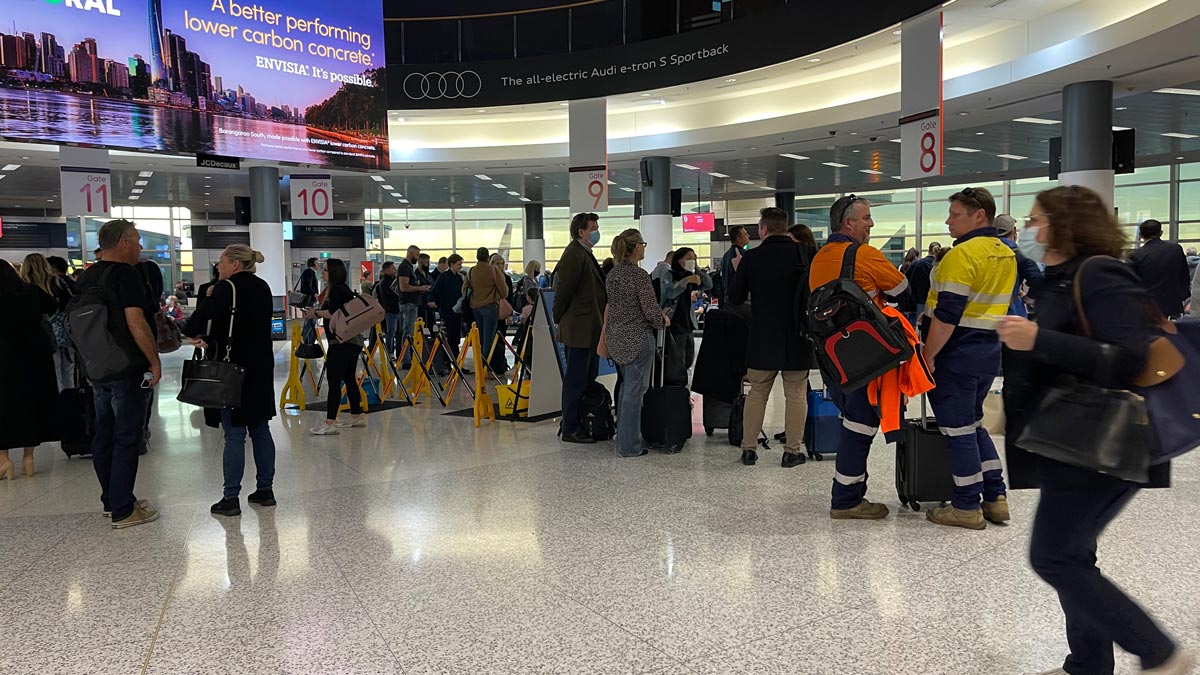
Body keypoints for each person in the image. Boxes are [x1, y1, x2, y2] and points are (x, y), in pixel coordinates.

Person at [998, 185, 1194, 675]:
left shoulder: (1100, 273)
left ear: (1066, 224)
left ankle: (1158, 651)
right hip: (1073, 439)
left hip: (1106, 441)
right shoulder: (1058, 278)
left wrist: (1037, 338)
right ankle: (1087, 663)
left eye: (1037, 219)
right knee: (1072, 554)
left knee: (1054, 556)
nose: (1029, 229)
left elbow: (1130, 358)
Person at [919, 187, 1016, 530]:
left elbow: (947, 314)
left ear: (979, 216)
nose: (948, 221)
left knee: (957, 431)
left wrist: (929, 354)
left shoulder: (961, 256)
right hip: (987, 352)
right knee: (973, 425)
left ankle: (965, 506)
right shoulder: (1005, 253)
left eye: (955, 214)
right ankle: (995, 497)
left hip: (955, 353)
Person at [809, 195, 910, 520]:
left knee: (853, 419)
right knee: (861, 423)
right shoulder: (864, 254)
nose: (871, 224)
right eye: (865, 218)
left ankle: (851, 492)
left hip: (832, 355)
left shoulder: (819, 257)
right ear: (847, 222)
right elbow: (903, 291)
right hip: (867, 354)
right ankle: (846, 499)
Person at [74, 219, 160, 528]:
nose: (140, 246)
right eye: (136, 240)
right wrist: (154, 361)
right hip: (126, 366)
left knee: (104, 434)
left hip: (97, 368)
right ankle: (124, 509)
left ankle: (112, 500)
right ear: (123, 242)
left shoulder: (87, 276)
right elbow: (136, 323)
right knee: (127, 436)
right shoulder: (126, 274)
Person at [182, 245, 277, 517]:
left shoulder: (226, 288)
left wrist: (209, 299)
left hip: (232, 368)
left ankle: (230, 497)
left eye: (221, 261)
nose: (218, 267)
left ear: (235, 263)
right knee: (260, 427)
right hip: (259, 365)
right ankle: (265, 490)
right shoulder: (263, 287)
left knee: (234, 432)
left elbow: (195, 325)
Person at [728, 207, 814, 468]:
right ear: (786, 228)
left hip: (763, 336)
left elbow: (734, 299)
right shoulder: (806, 254)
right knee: (796, 394)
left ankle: (749, 450)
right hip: (798, 336)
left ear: (763, 229)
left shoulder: (751, 258)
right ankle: (792, 452)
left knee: (757, 393)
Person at [604, 229, 667, 458]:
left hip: (617, 337)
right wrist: (662, 319)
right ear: (636, 247)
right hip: (638, 338)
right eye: (643, 244)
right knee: (634, 390)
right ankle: (628, 446)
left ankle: (623, 439)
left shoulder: (612, 275)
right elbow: (650, 310)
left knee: (625, 389)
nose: (644, 247)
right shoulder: (639, 276)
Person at [0, 259, 58, 481]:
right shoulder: (30, 291)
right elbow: (52, 306)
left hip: (3, 358)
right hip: (35, 355)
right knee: (32, 404)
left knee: (4, 406)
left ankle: (4, 459)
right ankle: (28, 458)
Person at [553, 213, 607, 444]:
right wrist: (558, 316)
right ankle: (571, 426)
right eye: (592, 227)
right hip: (579, 328)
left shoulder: (585, 253)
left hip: (589, 327)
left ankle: (577, 420)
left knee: (587, 376)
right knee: (576, 378)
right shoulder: (574, 254)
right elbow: (564, 291)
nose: (596, 231)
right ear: (580, 232)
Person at [306, 258, 366, 435]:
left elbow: (334, 313)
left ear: (333, 272)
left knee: (334, 381)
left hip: (341, 343)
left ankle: (330, 421)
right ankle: (357, 415)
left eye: (325, 270)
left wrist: (315, 313)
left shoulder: (337, 290)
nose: (322, 273)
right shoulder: (342, 289)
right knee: (349, 378)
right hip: (350, 341)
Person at [659, 247, 712, 387]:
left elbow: (708, 284)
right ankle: (676, 387)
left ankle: (681, 385)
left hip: (688, 323)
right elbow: (669, 292)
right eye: (689, 259)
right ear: (679, 260)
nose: (692, 261)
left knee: (689, 357)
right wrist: (685, 281)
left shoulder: (691, 274)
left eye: (694, 258)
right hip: (674, 322)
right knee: (677, 360)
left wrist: (698, 269)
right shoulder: (669, 274)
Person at [1127, 219, 1190, 318]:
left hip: (1147, 307)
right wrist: (1183, 295)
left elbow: (1129, 282)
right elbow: (1184, 275)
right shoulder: (1176, 249)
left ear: (1140, 235)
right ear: (1161, 233)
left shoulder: (1136, 255)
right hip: (1173, 304)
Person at [994, 214, 1045, 318]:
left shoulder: (984, 251)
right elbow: (1037, 279)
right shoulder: (1019, 254)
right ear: (1014, 230)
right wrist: (1028, 298)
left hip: (983, 315)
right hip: (1012, 313)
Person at [469, 248, 507, 375]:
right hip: (490, 306)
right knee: (488, 340)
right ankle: (483, 368)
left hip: (475, 307)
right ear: (487, 257)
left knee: (480, 339)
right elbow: (504, 290)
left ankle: (479, 365)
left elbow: (465, 288)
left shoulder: (472, 270)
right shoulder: (493, 270)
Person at [396, 246, 432, 369]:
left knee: (410, 331)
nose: (417, 258)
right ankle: (406, 360)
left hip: (412, 302)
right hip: (408, 303)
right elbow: (403, 287)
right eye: (417, 255)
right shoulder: (404, 267)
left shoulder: (409, 267)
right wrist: (419, 288)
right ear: (411, 253)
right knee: (408, 331)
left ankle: (409, 357)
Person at [45, 255, 77, 390]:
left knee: (56, 370)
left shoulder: (53, 284)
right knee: (69, 369)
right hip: (71, 331)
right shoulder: (72, 283)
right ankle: (71, 400)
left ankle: (62, 401)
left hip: (55, 333)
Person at [430, 254, 465, 375]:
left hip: (456, 312)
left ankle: (456, 362)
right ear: (451, 264)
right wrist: (434, 303)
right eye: (458, 264)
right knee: (448, 338)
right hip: (447, 311)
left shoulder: (459, 278)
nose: (460, 267)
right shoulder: (443, 277)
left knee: (455, 339)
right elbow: (434, 291)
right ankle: (447, 362)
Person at [488, 253, 513, 373]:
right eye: (497, 263)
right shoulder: (488, 278)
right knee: (491, 339)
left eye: (502, 263)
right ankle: (492, 364)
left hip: (503, 312)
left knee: (502, 338)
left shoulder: (507, 278)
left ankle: (501, 363)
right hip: (491, 311)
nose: (500, 266)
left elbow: (510, 297)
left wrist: (510, 314)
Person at [905, 242, 940, 325]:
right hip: (936, 301)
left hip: (919, 300)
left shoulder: (917, 263)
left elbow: (906, 280)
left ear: (928, 250)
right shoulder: (941, 266)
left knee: (917, 325)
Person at [375, 261, 402, 359]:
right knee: (391, 332)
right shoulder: (385, 283)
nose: (394, 270)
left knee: (397, 332)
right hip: (390, 311)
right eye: (392, 268)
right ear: (386, 270)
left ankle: (397, 351)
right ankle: (389, 352)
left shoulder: (393, 280)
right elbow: (394, 294)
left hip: (397, 310)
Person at [298, 258, 320, 344]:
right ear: (312, 264)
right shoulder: (308, 272)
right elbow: (307, 286)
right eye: (317, 263)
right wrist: (314, 294)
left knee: (311, 321)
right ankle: (304, 341)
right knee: (310, 321)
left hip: (311, 299)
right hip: (310, 300)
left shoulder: (311, 273)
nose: (318, 264)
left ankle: (309, 341)